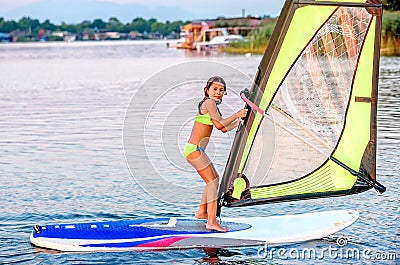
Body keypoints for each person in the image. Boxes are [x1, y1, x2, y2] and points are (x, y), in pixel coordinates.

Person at [184, 76, 248, 232]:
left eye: (221, 90)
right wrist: (237, 115)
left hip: (197, 150)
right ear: (207, 90)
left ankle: (202, 212)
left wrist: (240, 122)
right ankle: (211, 221)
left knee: (214, 180)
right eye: (215, 89)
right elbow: (220, 123)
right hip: (194, 150)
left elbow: (223, 128)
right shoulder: (209, 103)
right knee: (213, 182)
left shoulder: (213, 106)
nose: (218, 93)